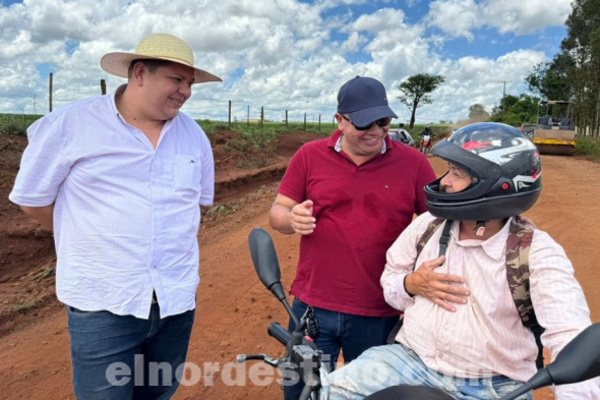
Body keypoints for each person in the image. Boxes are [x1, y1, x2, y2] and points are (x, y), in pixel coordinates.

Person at [9, 33, 221, 399]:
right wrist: (88, 234)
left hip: (175, 300)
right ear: (140, 73)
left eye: (189, 83)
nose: (185, 91)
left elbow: (197, 204)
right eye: (176, 79)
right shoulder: (71, 126)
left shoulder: (194, 137)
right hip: (104, 302)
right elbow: (33, 200)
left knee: (157, 393)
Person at [327, 122, 600, 399]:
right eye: (448, 170)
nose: (444, 181)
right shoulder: (427, 226)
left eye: (457, 174)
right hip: (408, 362)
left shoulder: (537, 252)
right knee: (329, 391)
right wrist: (410, 284)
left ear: (497, 186)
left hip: (495, 384)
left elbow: (570, 337)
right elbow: (392, 281)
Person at [268, 76, 437, 399]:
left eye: (383, 121)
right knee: (303, 392)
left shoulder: (413, 163)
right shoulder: (309, 156)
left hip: (380, 310)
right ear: (340, 121)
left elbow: (439, 225)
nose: (376, 131)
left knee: (372, 394)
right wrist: (291, 218)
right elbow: (278, 212)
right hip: (313, 307)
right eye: (364, 123)